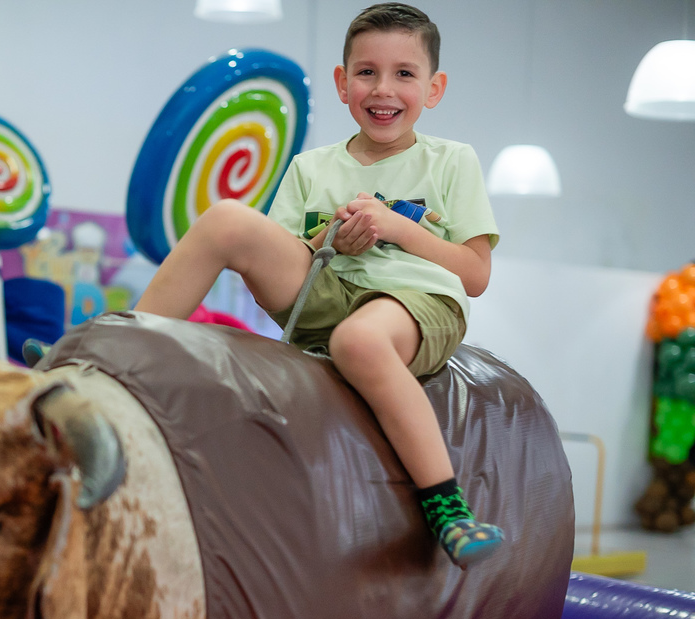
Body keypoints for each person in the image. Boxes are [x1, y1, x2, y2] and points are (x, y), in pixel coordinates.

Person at [133, 2, 504, 567]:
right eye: (367, 72)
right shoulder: (310, 167)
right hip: (326, 290)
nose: (383, 89)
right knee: (228, 217)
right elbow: (280, 264)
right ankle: (118, 347)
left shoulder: (452, 161)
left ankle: (447, 505)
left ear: (433, 88)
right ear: (342, 82)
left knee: (358, 341)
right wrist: (331, 239)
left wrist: (398, 229)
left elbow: (475, 275)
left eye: (404, 73)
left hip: (415, 301)